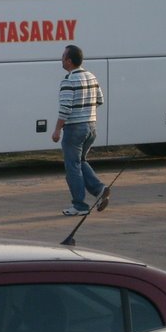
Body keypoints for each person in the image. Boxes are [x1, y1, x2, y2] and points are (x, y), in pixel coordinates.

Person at [51, 45, 110, 216]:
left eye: (63, 56)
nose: (61, 59)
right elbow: (100, 100)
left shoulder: (68, 80)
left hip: (74, 129)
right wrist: (86, 111)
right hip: (91, 126)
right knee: (80, 161)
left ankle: (80, 205)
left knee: (72, 167)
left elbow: (65, 108)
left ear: (69, 61)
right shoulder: (91, 76)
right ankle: (100, 189)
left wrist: (57, 130)